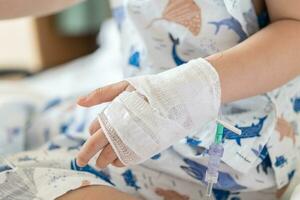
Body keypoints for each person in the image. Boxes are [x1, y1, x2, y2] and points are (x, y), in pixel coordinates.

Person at [1, 0, 300, 199]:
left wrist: (180, 94)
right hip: (135, 111)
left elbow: (294, 28)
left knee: (17, 185)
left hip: (230, 151)